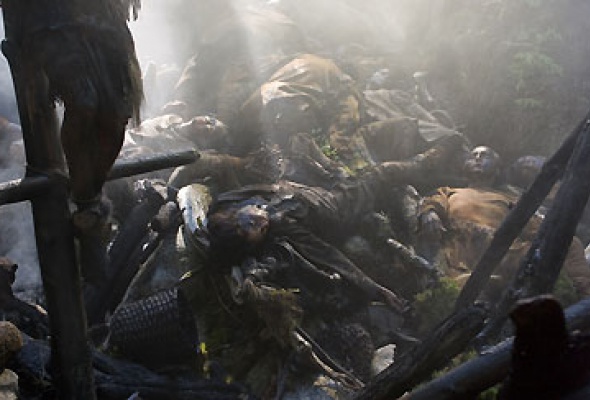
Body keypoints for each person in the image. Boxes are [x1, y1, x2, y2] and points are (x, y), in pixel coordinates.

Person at [179, 135, 465, 396]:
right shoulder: (283, 230)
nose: (261, 222)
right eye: (259, 231)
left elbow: (204, 189)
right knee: (384, 173)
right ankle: (436, 156)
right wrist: (376, 289)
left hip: (314, 187)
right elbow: (329, 256)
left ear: (234, 219)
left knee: (311, 149)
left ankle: (440, 170)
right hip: (339, 205)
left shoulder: (233, 201)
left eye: (252, 222)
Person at [417, 146, 590, 302]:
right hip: (464, 247)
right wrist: (429, 213)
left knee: (569, 243)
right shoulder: (449, 192)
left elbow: (535, 227)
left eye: (485, 156)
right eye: (473, 155)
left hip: (505, 250)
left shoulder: (510, 199)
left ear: (497, 168)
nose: (477, 158)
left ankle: (585, 296)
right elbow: (431, 203)